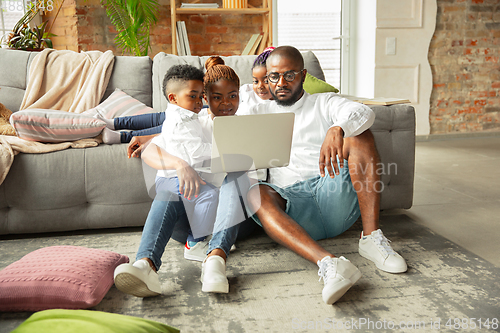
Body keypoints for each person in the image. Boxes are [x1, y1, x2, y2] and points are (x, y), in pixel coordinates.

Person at [244, 46, 407, 305]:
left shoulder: (323, 103)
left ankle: (371, 237)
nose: (281, 83)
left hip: (332, 193)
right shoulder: (257, 111)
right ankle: (329, 264)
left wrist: (338, 127)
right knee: (254, 193)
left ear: (303, 75)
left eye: (290, 75)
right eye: (274, 76)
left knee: (360, 134)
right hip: (293, 208)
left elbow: (364, 113)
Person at [114, 56, 257, 297]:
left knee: (236, 177)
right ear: (206, 99)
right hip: (188, 218)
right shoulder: (194, 122)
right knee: (169, 189)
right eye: (215, 97)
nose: (225, 104)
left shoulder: (248, 125)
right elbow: (151, 150)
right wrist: (180, 165)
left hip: (228, 217)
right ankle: (145, 265)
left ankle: (215, 260)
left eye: (233, 96)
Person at [100, 48, 275, 145]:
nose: (261, 86)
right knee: (166, 116)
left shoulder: (277, 105)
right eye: (256, 81)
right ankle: (116, 123)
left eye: (267, 80)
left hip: (225, 116)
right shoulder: (246, 90)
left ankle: (123, 135)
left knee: (176, 124)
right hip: (215, 111)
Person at [237, 47, 274, 114]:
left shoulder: (284, 99)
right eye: (256, 81)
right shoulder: (245, 91)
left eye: (266, 81)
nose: (260, 86)